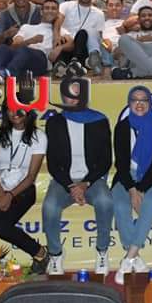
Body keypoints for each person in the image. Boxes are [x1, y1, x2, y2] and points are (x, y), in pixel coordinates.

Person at [42, 89, 113, 275]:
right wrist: (71, 186)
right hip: (64, 180)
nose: (73, 99)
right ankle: (55, 254)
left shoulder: (99, 120)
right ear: (63, 97)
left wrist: (85, 183)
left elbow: (105, 160)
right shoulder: (54, 122)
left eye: (78, 94)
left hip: (92, 179)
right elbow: (53, 162)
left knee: (105, 201)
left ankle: (102, 251)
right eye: (69, 94)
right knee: (49, 207)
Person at [0, 101, 50, 275]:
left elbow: (31, 176)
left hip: (23, 189)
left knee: (2, 227)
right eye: (10, 110)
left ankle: (40, 253)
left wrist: (10, 196)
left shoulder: (39, 136)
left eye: (19, 109)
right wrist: (0, 192)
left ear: (28, 111)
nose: (15, 113)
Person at [111, 86, 152, 283]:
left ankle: (128, 258)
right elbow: (121, 164)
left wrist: (141, 188)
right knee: (120, 205)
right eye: (135, 100)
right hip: (126, 178)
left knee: (151, 202)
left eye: (144, 100)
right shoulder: (122, 127)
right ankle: (136, 258)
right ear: (129, 103)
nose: (139, 104)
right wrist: (132, 189)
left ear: (149, 103)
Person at [0, 0, 64, 79]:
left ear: (58, 13)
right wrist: (30, 41)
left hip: (41, 61)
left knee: (24, 50)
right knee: (4, 48)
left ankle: (7, 73)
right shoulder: (26, 27)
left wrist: (60, 47)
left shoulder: (60, 30)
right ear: (41, 12)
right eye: (47, 8)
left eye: (53, 9)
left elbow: (70, 44)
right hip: (21, 59)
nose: (50, 11)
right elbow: (14, 46)